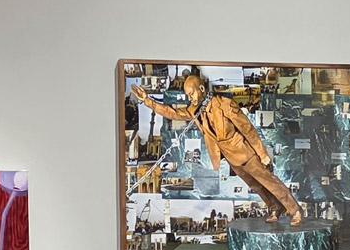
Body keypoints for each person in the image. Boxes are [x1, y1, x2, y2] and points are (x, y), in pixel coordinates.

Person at [129, 71, 305, 224]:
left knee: (269, 182)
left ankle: (295, 209)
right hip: (231, 158)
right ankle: (275, 208)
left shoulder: (225, 105)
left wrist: (262, 154)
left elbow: (247, 129)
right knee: (256, 186)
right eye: (187, 95)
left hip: (246, 154)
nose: (190, 98)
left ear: (202, 90)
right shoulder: (195, 110)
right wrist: (148, 101)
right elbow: (172, 113)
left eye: (191, 93)